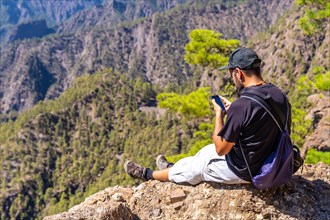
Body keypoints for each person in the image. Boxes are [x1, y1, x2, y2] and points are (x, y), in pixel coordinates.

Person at [124, 47, 291, 185]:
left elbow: (221, 149)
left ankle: (149, 175)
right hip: (271, 161)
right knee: (204, 153)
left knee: (200, 166)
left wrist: (219, 114)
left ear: (239, 74)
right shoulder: (278, 94)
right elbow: (264, 121)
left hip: (247, 170)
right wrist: (235, 111)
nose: (233, 79)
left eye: (232, 74)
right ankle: (171, 168)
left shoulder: (242, 106)